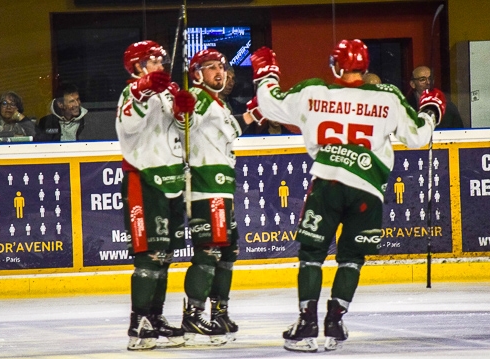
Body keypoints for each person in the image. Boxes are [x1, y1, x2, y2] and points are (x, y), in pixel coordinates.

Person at [250, 40, 445, 352]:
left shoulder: (314, 91)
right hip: (367, 189)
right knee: (352, 259)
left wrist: (266, 74)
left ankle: (307, 321)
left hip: (328, 183)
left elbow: (269, 104)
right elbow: (418, 136)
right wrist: (431, 110)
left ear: (335, 66)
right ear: (365, 68)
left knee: (311, 254)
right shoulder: (388, 97)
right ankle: (335, 319)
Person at [115, 40, 190, 351]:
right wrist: (143, 90)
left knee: (166, 255)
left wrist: (185, 112)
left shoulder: (168, 91)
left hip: (172, 181)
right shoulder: (129, 92)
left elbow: (185, 133)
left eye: (162, 60)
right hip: (144, 181)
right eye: (154, 61)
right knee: (150, 255)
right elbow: (128, 128)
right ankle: (138, 321)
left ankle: (155, 317)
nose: (161, 65)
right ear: (137, 66)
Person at [172, 49, 243, 345]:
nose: (220, 72)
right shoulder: (198, 97)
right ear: (198, 73)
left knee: (228, 251)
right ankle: (194, 312)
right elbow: (183, 127)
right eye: (212, 67)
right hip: (205, 185)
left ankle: (220, 310)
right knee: (210, 249)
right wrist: (182, 108)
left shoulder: (218, 102)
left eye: (222, 67)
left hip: (223, 185)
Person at [37, 83, 113, 141]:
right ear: (60, 104)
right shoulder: (46, 123)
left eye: (78, 99)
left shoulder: (90, 122)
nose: (77, 104)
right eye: (72, 101)